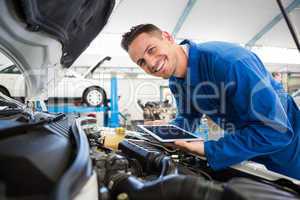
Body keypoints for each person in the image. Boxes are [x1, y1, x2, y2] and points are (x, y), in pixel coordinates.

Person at [121, 24, 300, 179]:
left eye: (151, 50)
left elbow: (277, 131)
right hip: (245, 142)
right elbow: (188, 118)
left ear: (167, 37)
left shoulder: (230, 63)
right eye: (142, 62)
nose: (151, 63)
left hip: (288, 148)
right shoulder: (176, 82)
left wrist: (210, 149)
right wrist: (167, 132)